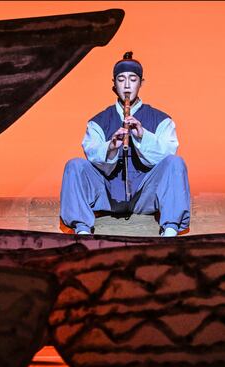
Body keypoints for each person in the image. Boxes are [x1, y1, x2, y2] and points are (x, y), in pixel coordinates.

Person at [60, 51, 190, 237]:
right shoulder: (97, 122)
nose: (127, 85)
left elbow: (168, 153)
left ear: (141, 83)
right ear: (114, 85)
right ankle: (82, 231)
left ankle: (170, 231)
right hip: (107, 196)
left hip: (145, 197)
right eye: (121, 79)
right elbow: (92, 153)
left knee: (175, 163)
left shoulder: (162, 120)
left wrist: (143, 136)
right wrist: (111, 147)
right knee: (74, 165)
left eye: (133, 79)